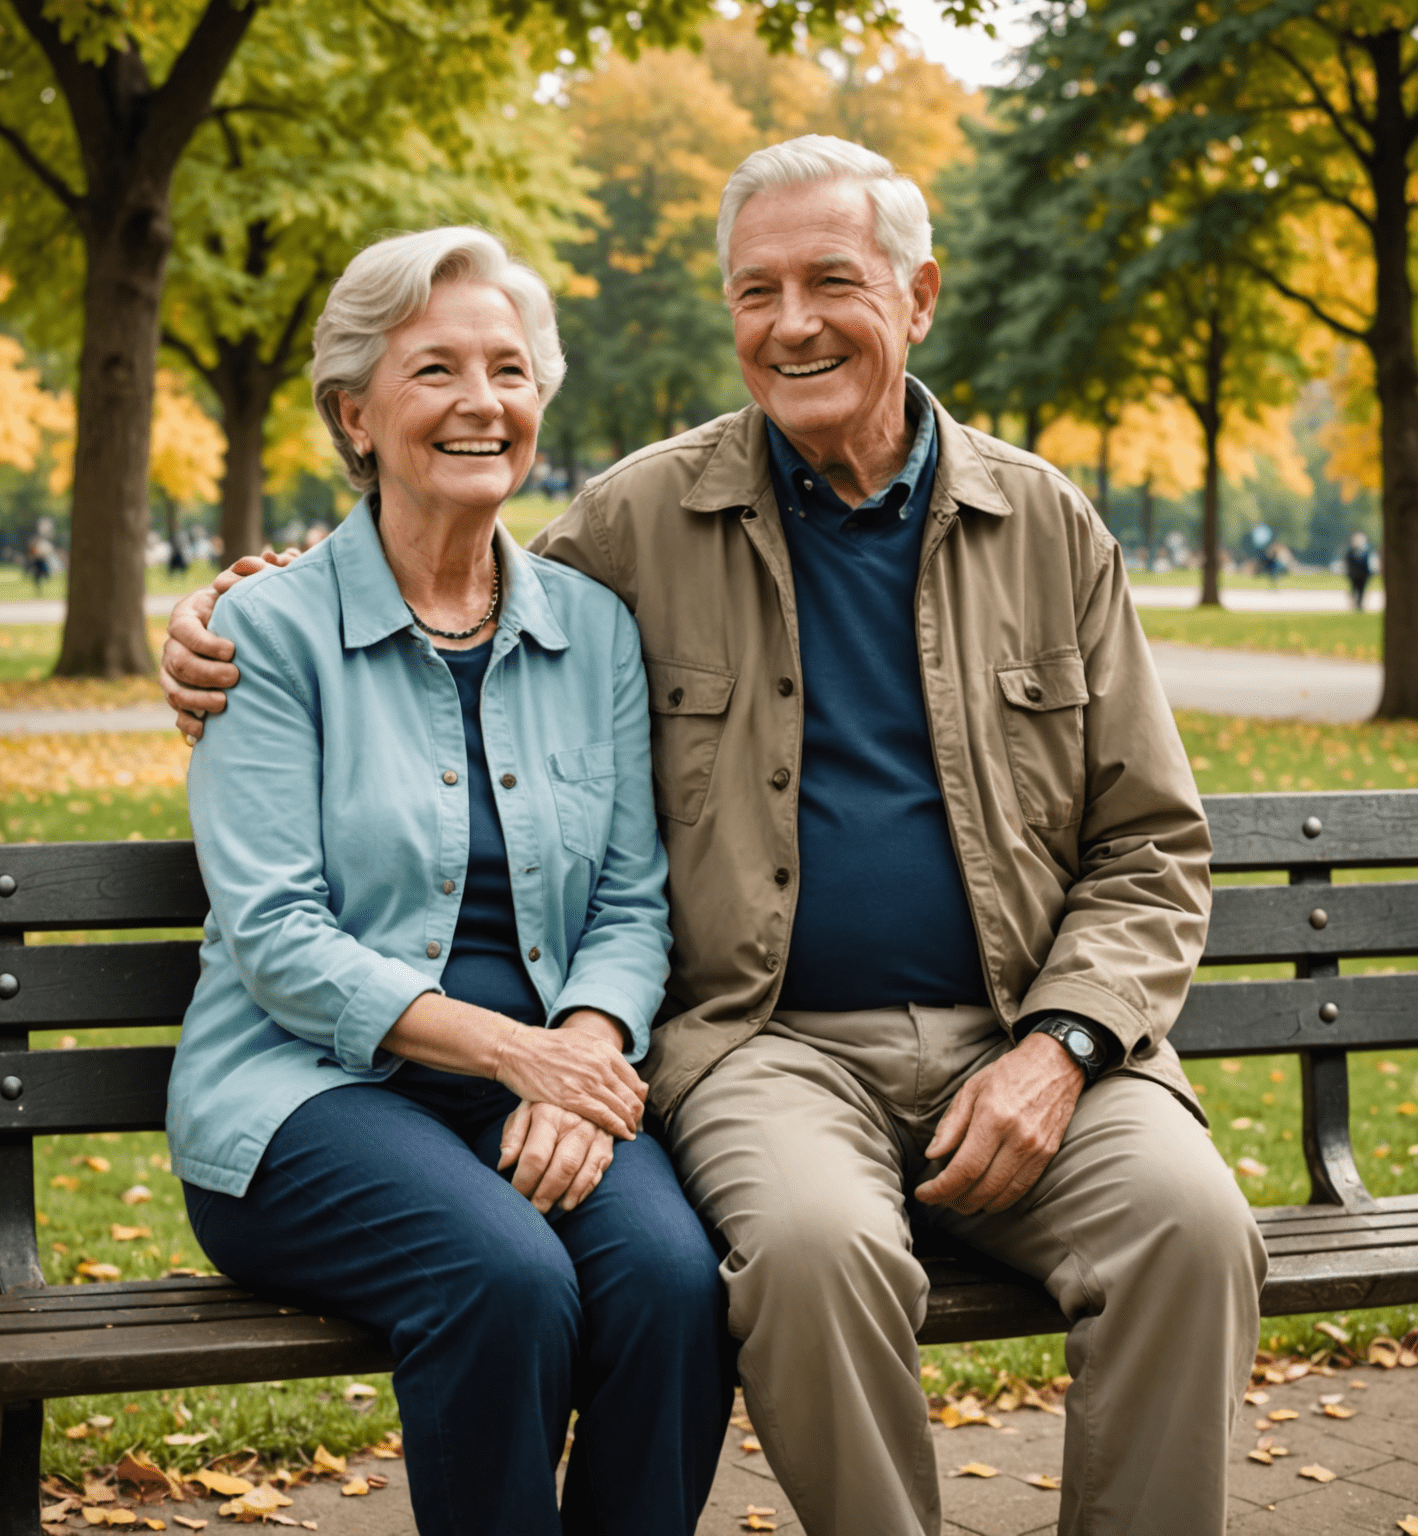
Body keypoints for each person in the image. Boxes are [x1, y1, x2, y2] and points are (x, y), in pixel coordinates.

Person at [163, 139, 1266, 1536]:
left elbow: (1151, 847)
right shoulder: (638, 523)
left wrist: (1064, 1046)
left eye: (832, 281)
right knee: (790, 1257)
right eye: (757, 290)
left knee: (1194, 1228)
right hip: (769, 1048)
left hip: (1025, 1037)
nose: (792, 322)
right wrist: (231, 615)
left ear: (918, 297)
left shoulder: (1046, 523)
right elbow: (420, 570)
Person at [165, 227, 729, 1536]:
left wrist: (583, 1053)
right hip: (302, 1094)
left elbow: (632, 901)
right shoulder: (268, 629)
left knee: (672, 1281)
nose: (483, 402)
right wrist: (520, 1057)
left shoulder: (592, 631)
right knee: (506, 1279)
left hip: (539, 1076)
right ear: (355, 414)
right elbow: (276, 936)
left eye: (511, 369)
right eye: (438, 371)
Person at [1347, 529, 1373, 610]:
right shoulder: (1353, 551)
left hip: (1360, 574)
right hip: (1357, 574)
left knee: (1359, 590)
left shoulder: (1364, 551)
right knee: (1357, 589)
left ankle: (1358, 604)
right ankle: (1357, 603)